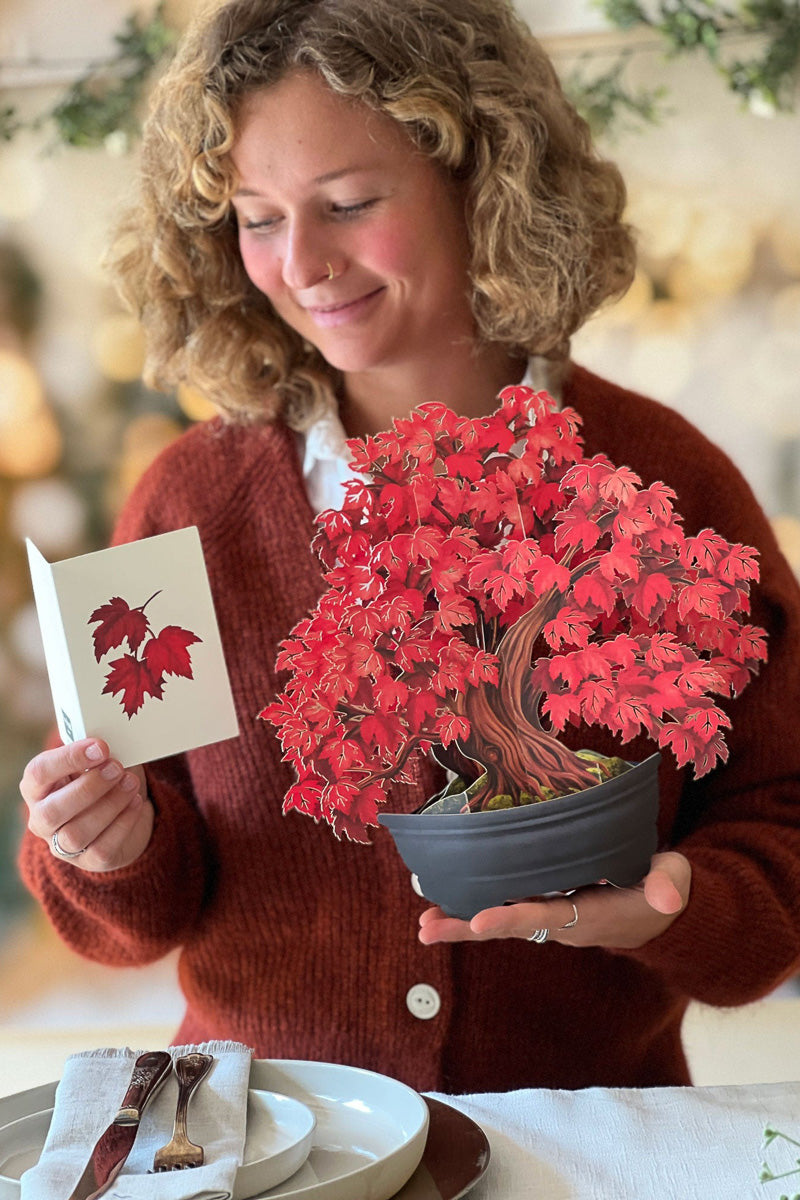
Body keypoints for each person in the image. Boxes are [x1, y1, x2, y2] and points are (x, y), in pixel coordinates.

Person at [18, 0, 800, 1094]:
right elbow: (128, 922)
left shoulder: (667, 485)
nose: (301, 263)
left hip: (574, 1139)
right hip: (270, 1143)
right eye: (254, 219)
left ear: (481, 183)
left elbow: (777, 846)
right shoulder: (187, 508)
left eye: (347, 202)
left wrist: (672, 903)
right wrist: (106, 844)